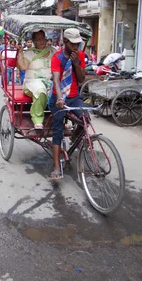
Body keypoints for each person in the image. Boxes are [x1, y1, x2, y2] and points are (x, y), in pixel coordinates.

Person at [49, 28, 87, 180]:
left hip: (74, 96)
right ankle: (56, 166)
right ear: (65, 42)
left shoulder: (81, 55)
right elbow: (57, 81)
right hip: (58, 98)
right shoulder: (57, 57)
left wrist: (76, 63)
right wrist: (59, 99)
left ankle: (74, 138)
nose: (76, 47)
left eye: (78, 44)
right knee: (57, 131)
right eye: (73, 44)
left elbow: (82, 79)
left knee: (86, 120)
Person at [17, 30, 57, 130]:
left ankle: (60, 119)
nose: (41, 41)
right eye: (38, 39)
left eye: (43, 38)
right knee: (41, 91)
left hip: (51, 80)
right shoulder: (30, 52)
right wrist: (20, 52)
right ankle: (37, 119)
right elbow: (22, 66)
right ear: (34, 41)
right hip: (32, 82)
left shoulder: (53, 50)